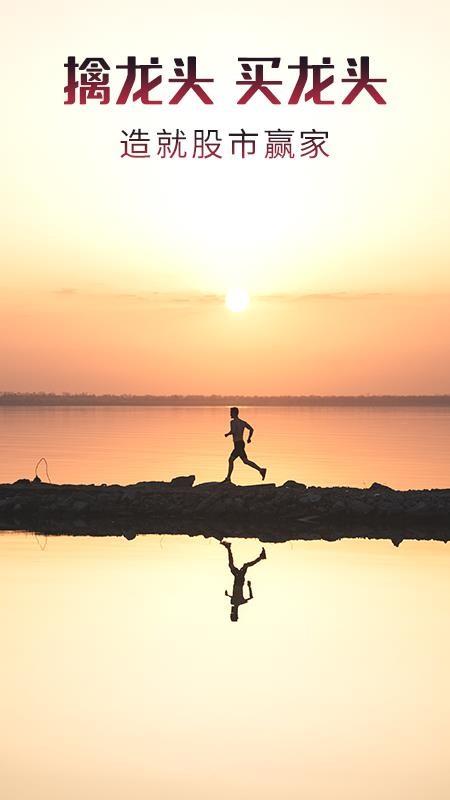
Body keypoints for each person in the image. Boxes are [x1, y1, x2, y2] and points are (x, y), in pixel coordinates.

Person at [221, 541, 266, 621]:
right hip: (239, 581)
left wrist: (228, 595)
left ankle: (228, 547)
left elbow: (236, 595)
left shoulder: (234, 602)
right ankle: (261, 558)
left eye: (231, 614)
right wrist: (249, 586)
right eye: (232, 614)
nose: (231, 612)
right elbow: (251, 597)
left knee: (237, 566)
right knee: (243, 565)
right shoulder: (240, 602)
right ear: (235, 613)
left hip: (237, 581)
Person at [224, 406, 266, 482]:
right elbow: (251, 429)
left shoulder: (232, 422)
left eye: (231, 413)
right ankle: (261, 470)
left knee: (235, 460)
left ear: (234, 413)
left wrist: (227, 434)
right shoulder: (242, 422)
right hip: (241, 443)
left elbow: (233, 431)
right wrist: (249, 438)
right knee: (241, 461)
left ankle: (228, 478)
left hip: (238, 445)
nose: (230, 414)